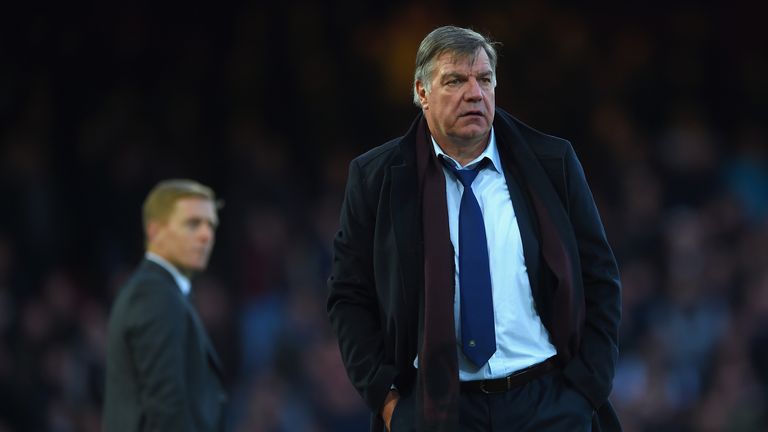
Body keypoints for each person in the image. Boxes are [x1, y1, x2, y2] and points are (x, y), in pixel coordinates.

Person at [327, 26, 622, 431]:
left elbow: (601, 279)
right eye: (455, 80)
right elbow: (348, 296)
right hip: (438, 410)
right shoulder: (375, 178)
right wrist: (388, 399)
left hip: (548, 402)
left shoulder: (551, 163)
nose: (474, 93)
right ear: (422, 92)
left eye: (484, 79)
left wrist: (584, 390)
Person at [103, 179, 227, 432]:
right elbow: (165, 405)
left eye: (211, 224)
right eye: (193, 223)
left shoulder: (161, 292)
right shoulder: (154, 295)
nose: (206, 235)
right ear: (155, 231)